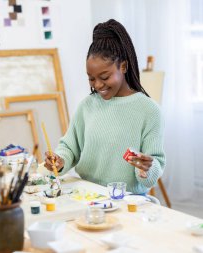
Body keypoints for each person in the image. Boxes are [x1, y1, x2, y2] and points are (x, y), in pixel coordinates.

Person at [44, 19, 165, 194]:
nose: (98, 85)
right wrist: (60, 159)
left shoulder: (149, 111)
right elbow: (70, 146)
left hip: (127, 201)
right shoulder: (87, 106)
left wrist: (146, 167)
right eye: (91, 79)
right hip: (87, 197)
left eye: (105, 77)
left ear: (123, 66)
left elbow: (154, 169)